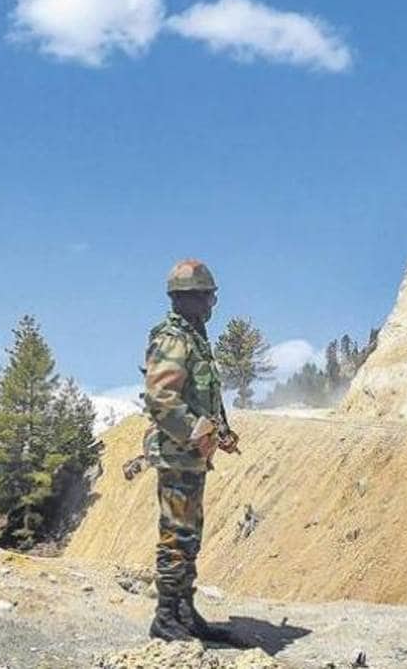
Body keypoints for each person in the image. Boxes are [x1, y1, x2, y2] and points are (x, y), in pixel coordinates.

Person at [141, 258, 239, 642]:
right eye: (208, 297)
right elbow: (160, 397)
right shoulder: (173, 338)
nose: (212, 304)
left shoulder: (195, 338)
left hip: (193, 456)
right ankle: (165, 617)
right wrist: (196, 430)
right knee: (175, 536)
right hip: (177, 455)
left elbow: (206, 394)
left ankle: (183, 610)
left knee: (189, 535)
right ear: (189, 298)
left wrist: (223, 430)